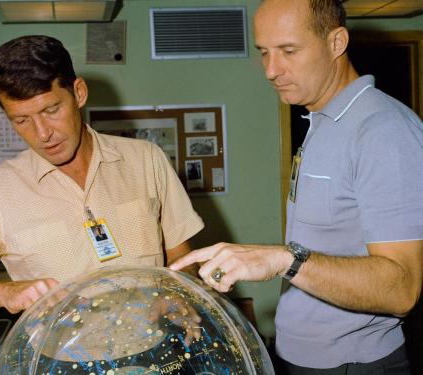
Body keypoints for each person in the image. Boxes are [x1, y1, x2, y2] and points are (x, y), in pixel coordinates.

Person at [171, 0, 423, 373]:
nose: (271, 70)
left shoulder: (384, 131)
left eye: (289, 51)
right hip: (304, 357)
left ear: (336, 42)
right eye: (264, 53)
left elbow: (402, 289)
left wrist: (283, 259)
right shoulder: (321, 118)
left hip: (353, 364)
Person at [0, 35, 204, 322]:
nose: (43, 133)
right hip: (59, 362)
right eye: (22, 120)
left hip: (152, 352)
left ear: (79, 93)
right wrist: (3, 293)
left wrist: (177, 292)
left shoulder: (146, 160)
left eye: (51, 110)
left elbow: (180, 256)